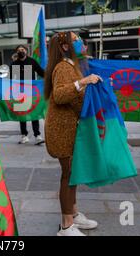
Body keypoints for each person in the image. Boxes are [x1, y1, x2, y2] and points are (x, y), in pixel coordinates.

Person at [44, 31, 101, 236]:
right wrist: (84, 82)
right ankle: (66, 225)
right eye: (76, 41)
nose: (81, 43)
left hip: (70, 129)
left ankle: (74, 214)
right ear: (66, 46)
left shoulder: (71, 65)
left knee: (73, 173)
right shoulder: (62, 67)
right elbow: (59, 95)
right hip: (62, 131)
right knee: (68, 175)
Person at [10, 45, 45, 145]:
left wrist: (50, 76)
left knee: (34, 113)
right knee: (22, 114)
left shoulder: (31, 61)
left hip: (32, 91)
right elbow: (12, 79)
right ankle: (24, 135)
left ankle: (37, 135)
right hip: (20, 93)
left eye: (22, 49)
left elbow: (41, 72)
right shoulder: (14, 64)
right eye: (19, 50)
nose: (21, 51)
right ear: (16, 52)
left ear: (26, 51)